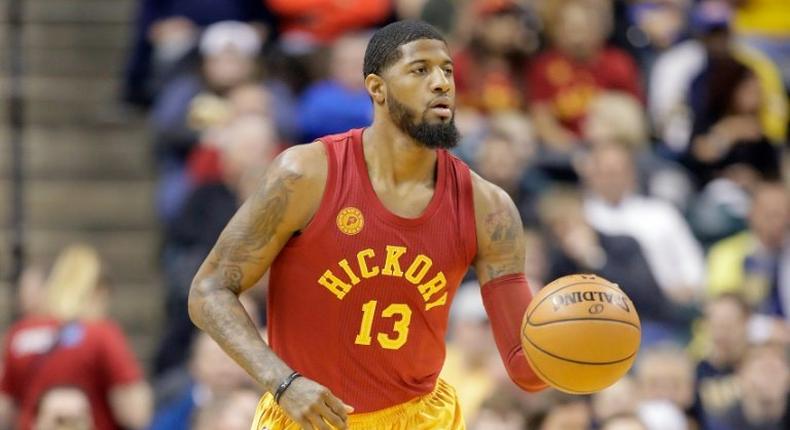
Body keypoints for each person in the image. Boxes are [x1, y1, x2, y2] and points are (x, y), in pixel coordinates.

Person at [188, 19, 548, 429]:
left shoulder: (489, 208)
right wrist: (282, 382)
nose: (441, 83)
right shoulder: (306, 174)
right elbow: (209, 289)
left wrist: (586, 347)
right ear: (377, 88)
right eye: (420, 70)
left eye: (447, 70)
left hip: (422, 419)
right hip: (308, 414)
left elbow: (526, 369)